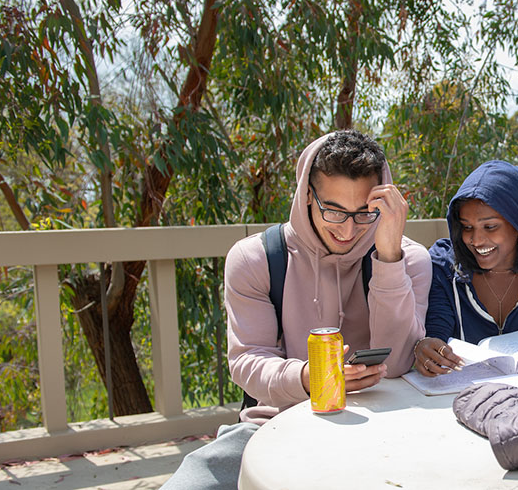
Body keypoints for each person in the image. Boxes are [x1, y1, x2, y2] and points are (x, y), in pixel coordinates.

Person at [162, 130, 432, 489]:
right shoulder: (256, 259)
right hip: (274, 423)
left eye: (364, 213)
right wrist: (309, 378)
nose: (348, 229)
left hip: (380, 427)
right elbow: (247, 362)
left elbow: (397, 362)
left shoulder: (406, 258)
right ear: (307, 194)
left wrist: (387, 258)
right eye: (333, 211)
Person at [414, 160, 518, 375]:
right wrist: (428, 347)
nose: (476, 240)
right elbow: (437, 329)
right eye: (467, 227)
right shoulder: (444, 263)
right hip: (459, 398)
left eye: (490, 226)